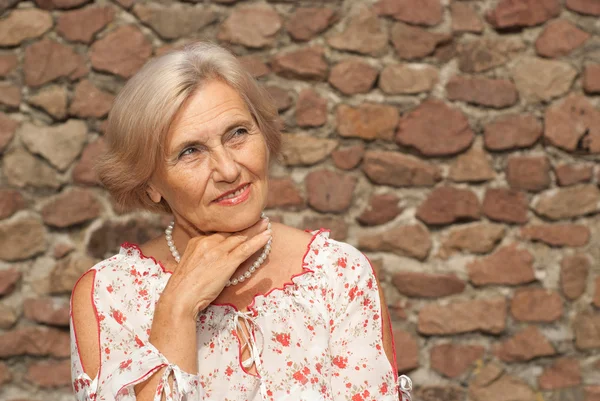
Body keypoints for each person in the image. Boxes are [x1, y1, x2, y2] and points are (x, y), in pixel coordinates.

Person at [70, 42, 412, 401]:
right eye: (190, 151)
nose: (229, 170)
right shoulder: (109, 295)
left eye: (237, 133)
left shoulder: (337, 274)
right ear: (150, 181)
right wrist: (177, 309)